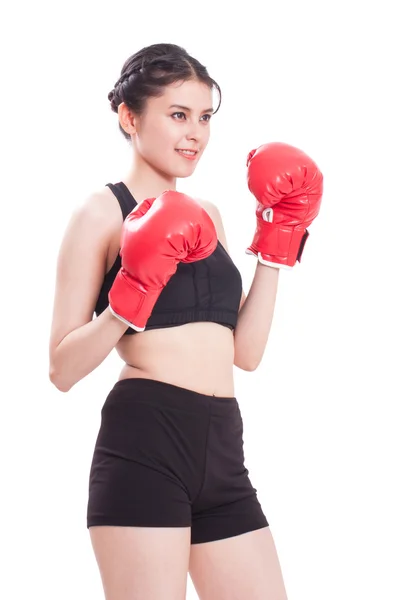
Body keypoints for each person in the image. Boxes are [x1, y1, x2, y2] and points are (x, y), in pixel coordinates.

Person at [49, 43, 323, 600]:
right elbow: (61, 368)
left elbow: (243, 355)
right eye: (177, 115)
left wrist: (277, 244)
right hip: (147, 440)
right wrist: (127, 301)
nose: (194, 133)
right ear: (129, 117)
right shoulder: (102, 212)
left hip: (223, 443)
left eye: (203, 118)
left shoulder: (209, 217)